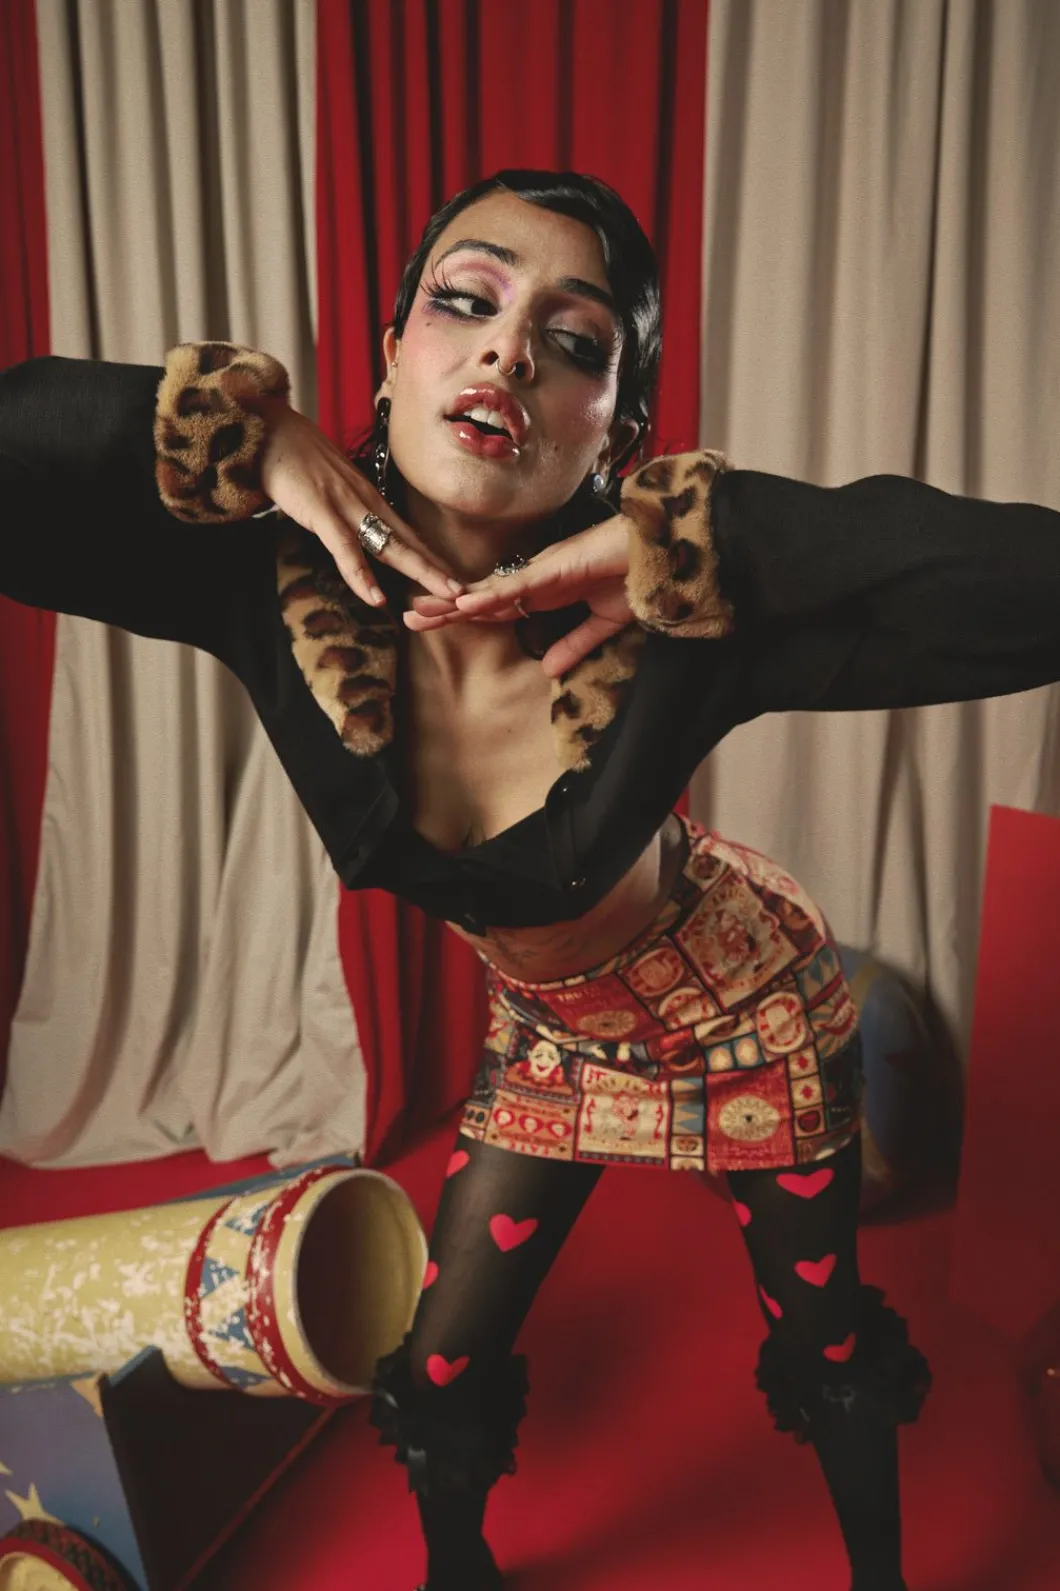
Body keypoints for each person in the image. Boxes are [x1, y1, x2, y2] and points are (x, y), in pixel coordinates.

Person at [4, 168, 1060, 1591]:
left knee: (825, 1344)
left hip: (748, 1008)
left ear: (611, 429)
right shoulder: (269, 581)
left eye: (572, 342)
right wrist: (239, 434)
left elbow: (1032, 595)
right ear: (392, 356)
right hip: (557, 1029)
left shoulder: (676, 621)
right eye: (467, 301)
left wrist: (718, 535)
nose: (507, 352)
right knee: (442, 1360)